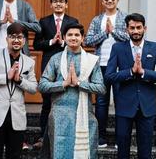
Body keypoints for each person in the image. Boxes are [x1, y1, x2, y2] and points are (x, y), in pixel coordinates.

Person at [104, 13, 156, 159]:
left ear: (144, 28)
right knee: (122, 150)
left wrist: (143, 72)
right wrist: (129, 72)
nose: (135, 31)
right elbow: (108, 77)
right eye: (132, 28)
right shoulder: (117, 48)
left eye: (138, 27)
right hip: (124, 106)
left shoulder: (155, 48)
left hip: (147, 107)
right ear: (127, 30)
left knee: (145, 151)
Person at [38, 23, 106, 159]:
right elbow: (42, 85)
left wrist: (79, 83)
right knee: (60, 153)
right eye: (70, 35)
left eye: (77, 35)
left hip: (84, 115)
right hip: (59, 116)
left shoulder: (92, 61)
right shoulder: (56, 59)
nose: (73, 38)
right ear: (64, 37)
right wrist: (64, 83)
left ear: (82, 38)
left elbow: (101, 88)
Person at [0, 23, 38, 159]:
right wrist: (6, 77)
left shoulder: (29, 62)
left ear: (24, 41)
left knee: (15, 155)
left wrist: (19, 80)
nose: (16, 40)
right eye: (13, 37)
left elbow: (34, 88)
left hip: (16, 116)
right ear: (7, 39)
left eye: (20, 37)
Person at [84, 0, 129, 147]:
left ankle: (120, 139)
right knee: (101, 103)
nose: (109, 1)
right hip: (100, 65)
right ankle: (101, 137)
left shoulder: (125, 18)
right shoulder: (97, 20)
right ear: (102, 1)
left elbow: (131, 38)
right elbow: (87, 41)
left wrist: (114, 31)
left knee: (120, 103)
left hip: (120, 67)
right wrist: (105, 33)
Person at [33, 0, 78, 148]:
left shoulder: (73, 21)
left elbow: (76, 41)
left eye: (61, 1)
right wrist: (52, 41)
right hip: (48, 65)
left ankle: (67, 136)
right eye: (55, 1)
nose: (58, 4)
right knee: (47, 102)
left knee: (67, 101)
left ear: (66, 4)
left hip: (68, 64)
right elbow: (36, 44)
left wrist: (65, 42)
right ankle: (43, 137)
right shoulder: (44, 22)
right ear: (51, 4)